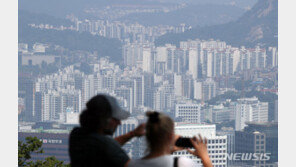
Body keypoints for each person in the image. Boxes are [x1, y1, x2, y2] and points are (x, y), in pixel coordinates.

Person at [69, 94, 146, 167]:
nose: (119, 123)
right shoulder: (105, 144)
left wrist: (132, 134)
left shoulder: (76, 135)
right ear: (105, 120)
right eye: (116, 119)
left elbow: (107, 148)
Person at [128, 111, 213, 167]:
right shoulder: (182, 163)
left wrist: (168, 151)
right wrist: (204, 157)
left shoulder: (133, 164)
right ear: (170, 136)